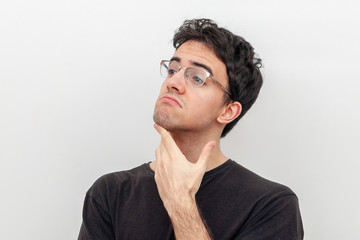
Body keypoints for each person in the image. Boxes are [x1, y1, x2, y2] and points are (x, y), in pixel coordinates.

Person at [78, 18, 304, 240]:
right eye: (172, 70)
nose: (173, 82)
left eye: (197, 78)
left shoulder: (271, 205)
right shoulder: (110, 193)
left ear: (228, 111)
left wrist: (180, 203)